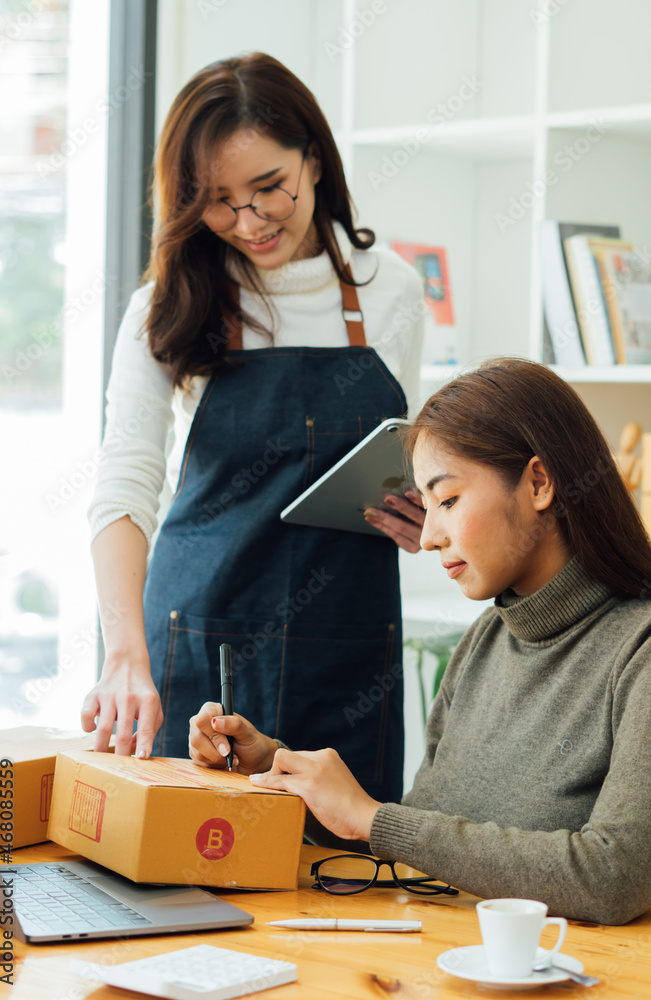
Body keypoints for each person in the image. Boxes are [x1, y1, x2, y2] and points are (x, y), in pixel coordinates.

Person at [189, 358, 651, 924]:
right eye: (426, 506)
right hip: (444, 962)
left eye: (448, 500)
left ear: (538, 482)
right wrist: (281, 772)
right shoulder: (483, 643)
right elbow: (424, 845)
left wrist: (374, 818)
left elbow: (614, 878)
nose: (429, 536)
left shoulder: (639, 649)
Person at [82, 52, 426, 806]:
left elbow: (403, 458)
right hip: (199, 648)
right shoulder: (167, 304)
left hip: (348, 647)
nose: (248, 220)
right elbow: (124, 484)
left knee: (342, 878)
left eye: (269, 186)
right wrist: (123, 653)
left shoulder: (390, 291)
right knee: (183, 887)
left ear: (313, 158)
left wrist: (421, 515)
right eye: (216, 200)